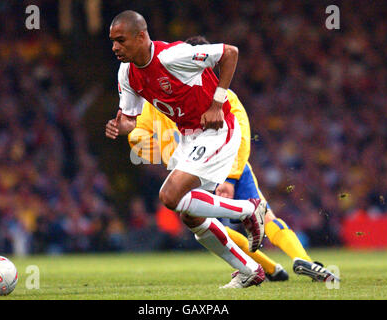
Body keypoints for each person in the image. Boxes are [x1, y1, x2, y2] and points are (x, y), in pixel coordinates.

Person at [128, 35, 339, 283]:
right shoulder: (205, 93)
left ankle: (266, 268)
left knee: (207, 219)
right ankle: (291, 261)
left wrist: (224, 175)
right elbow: (138, 135)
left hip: (214, 166)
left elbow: (138, 137)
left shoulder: (175, 97)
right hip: (221, 163)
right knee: (258, 218)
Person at [105, 10, 266, 288]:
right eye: (112, 41)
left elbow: (230, 53)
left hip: (219, 131)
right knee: (191, 215)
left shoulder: (173, 56)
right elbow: (131, 118)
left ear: (141, 36)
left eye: (120, 40)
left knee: (169, 196)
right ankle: (248, 269)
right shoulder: (127, 73)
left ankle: (248, 210)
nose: (114, 47)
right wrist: (122, 126)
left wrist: (217, 103)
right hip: (189, 139)